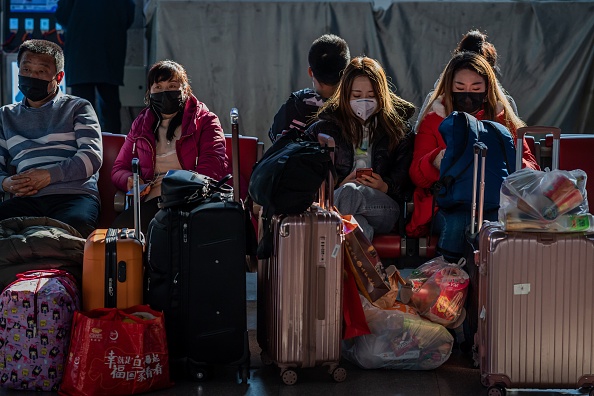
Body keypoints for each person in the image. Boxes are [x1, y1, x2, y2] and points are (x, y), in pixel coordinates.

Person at [408, 51, 539, 261]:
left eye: (476, 88)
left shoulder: (503, 121)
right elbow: (416, 174)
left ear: (487, 90)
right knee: (459, 221)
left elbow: (530, 167)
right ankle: (447, 280)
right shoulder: (433, 121)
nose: (468, 95)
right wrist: (436, 159)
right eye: (460, 88)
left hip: (495, 202)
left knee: (495, 224)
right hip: (446, 203)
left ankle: (492, 282)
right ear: (449, 88)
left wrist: (507, 159)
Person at [111, 60, 229, 234]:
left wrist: (185, 193)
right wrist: (130, 180)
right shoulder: (141, 124)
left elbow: (213, 166)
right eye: (158, 87)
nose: (165, 93)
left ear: (185, 90)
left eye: (172, 86)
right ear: (149, 92)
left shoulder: (205, 120)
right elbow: (119, 168)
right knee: (118, 238)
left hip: (192, 199)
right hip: (153, 200)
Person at [305, 56, 416, 241]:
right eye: (357, 96)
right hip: (342, 197)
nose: (364, 102)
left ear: (381, 95)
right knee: (358, 224)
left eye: (371, 96)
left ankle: (317, 239)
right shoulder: (323, 129)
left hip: (384, 206)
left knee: (351, 192)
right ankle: (353, 269)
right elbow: (308, 177)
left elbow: (407, 180)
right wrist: (338, 183)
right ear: (345, 95)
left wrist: (385, 185)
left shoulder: (399, 130)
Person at [0, 39, 102, 238]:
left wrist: (48, 175)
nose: (32, 77)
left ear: (59, 76)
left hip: (73, 196)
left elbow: (92, 157)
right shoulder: (5, 116)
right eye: (26, 70)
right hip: (26, 198)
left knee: (72, 230)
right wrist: (5, 183)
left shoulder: (78, 107)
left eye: (41, 72)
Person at [56, 0, 136, 134]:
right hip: (109, 52)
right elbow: (128, 15)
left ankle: (85, 145)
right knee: (110, 107)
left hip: (80, 53)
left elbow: (62, 15)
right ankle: (113, 148)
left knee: (82, 108)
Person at [414, 29, 518, 132]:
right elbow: (420, 138)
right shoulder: (435, 104)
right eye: (460, 87)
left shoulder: (504, 107)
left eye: (476, 88)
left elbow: (518, 144)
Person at [268, 34, 350, 143]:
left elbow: (275, 140)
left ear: (310, 72)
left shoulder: (294, 106)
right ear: (346, 74)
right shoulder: (353, 111)